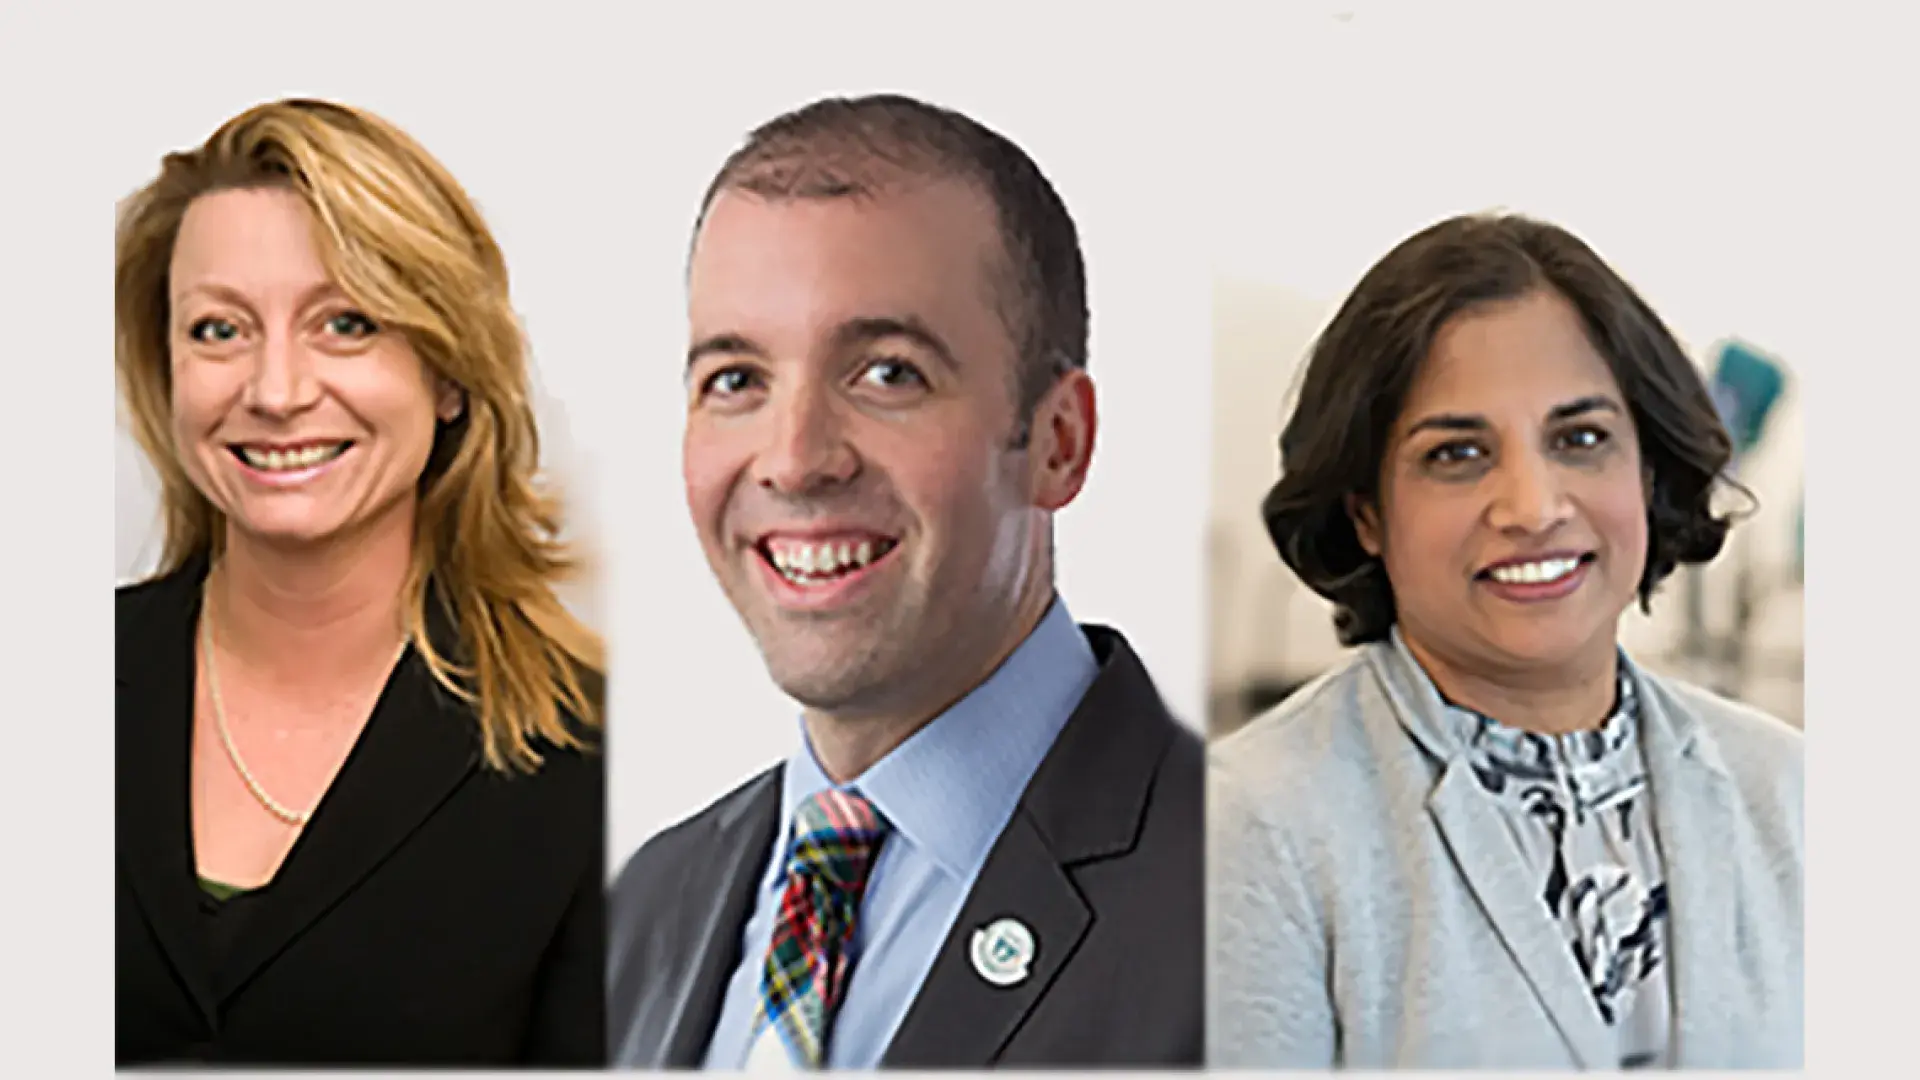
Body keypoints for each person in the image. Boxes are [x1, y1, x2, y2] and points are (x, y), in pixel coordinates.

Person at [605, 94, 1202, 1069]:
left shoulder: (1243, 902)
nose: (793, 461)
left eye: (887, 374)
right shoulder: (649, 905)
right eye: (736, 380)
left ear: (1058, 443)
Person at [1207, 213, 1803, 1069]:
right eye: (1457, 454)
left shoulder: (1790, 794)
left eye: (1581, 439)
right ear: (1366, 512)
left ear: (1646, 469)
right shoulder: (1252, 827)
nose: (1532, 507)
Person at [114, 99, 606, 1067]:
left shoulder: (589, 762)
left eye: (346, 323)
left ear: (450, 374)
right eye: (219, 329)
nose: (278, 390)